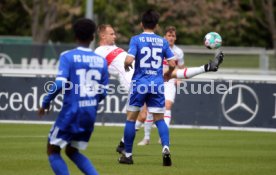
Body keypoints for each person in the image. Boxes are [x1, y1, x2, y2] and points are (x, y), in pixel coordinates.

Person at [38, 18, 108, 175]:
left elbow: (60, 84)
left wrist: (45, 102)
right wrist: (90, 103)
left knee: (52, 149)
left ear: (75, 36)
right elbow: (103, 92)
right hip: (89, 114)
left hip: (72, 112)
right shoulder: (101, 61)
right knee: (71, 150)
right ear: (92, 37)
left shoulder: (67, 56)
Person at [118, 9, 176, 166]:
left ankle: (128, 155)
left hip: (140, 84)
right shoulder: (163, 41)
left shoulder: (136, 39)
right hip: (157, 84)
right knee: (159, 119)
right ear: (156, 26)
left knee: (131, 119)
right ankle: (165, 147)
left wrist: (125, 64)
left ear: (141, 24)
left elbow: (129, 60)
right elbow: (172, 63)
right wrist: (169, 74)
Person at [137, 26, 185, 146]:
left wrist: (179, 79)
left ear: (175, 37)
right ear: (165, 36)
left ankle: (163, 136)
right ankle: (146, 138)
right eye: (169, 35)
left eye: (173, 36)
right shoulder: (159, 47)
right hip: (157, 80)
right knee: (149, 110)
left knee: (167, 106)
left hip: (169, 82)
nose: (171, 38)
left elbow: (181, 67)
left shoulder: (179, 52)